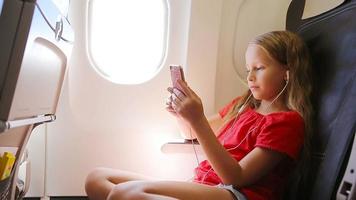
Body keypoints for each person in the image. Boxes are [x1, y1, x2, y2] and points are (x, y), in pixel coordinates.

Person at [84, 30, 313, 200]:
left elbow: (236, 178)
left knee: (126, 194)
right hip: (205, 185)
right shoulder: (243, 105)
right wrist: (183, 115)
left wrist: (198, 118)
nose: (250, 76)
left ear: (287, 72)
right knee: (97, 179)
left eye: (259, 68)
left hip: (236, 193)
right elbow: (192, 133)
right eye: (247, 69)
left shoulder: (287, 122)